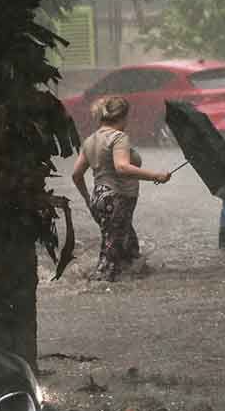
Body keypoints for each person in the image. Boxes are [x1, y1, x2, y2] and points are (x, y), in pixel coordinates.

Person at [71, 97, 171, 281]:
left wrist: (88, 200)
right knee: (111, 255)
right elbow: (122, 167)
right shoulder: (119, 137)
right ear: (122, 117)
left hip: (99, 198)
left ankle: (134, 283)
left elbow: (76, 175)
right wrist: (156, 176)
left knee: (130, 250)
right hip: (117, 201)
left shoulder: (91, 140)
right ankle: (96, 287)